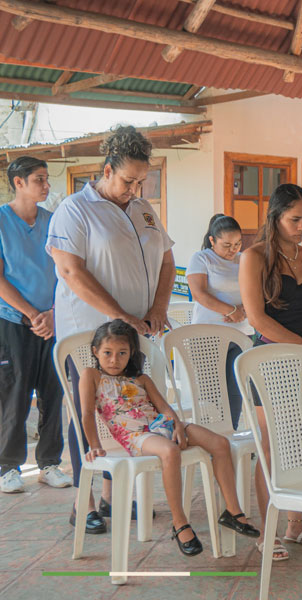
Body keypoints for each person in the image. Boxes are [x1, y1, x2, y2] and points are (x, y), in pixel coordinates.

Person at [47, 126, 175, 534]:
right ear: (106, 171)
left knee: (125, 409)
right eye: (128, 181)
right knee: (86, 409)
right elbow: (71, 271)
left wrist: (157, 307)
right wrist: (122, 316)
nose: (135, 189)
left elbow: (167, 259)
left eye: (142, 182)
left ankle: (110, 496)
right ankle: (81, 501)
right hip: (90, 332)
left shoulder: (143, 209)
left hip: (134, 334)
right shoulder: (75, 209)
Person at [79, 320, 259, 555]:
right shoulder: (92, 375)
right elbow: (86, 414)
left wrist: (177, 426)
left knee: (220, 443)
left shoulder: (141, 379)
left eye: (122, 353)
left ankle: (233, 512)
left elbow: (164, 408)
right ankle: (180, 522)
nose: (114, 360)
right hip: (135, 435)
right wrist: (94, 445)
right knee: (170, 451)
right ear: (95, 352)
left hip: (161, 425)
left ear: (131, 353)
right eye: (107, 353)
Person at [239, 183, 302, 560]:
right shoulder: (254, 256)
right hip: (271, 359)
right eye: (295, 220)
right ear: (275, 217)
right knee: (271, 446)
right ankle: (267, 530)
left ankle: (294, 524)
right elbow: (256, 318)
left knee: (298, 443)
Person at [0, 157, 72, 493]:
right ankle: (8, 467)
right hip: (14, 321)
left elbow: (65, 272)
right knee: (14, 395)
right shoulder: (2, 221)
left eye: (46, 179)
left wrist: (54, 313)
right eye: (39, 179)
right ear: (19, 183)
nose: (46, 185)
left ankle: (49, 464)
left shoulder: (53, 221)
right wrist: (32, 314)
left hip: (53, 322)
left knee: (53, 394)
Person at [186, 214, 253, 429]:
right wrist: (231, 311)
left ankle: (230, 434)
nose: (233, 249)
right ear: (212, 240)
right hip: (208, 336)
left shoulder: (244, 259)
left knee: (235, 390)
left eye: (237, 244)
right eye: (226, 245)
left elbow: (257, 290)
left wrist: (244, 311)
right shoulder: (202, 258)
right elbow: (199, 294)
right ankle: (212, 436)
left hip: (241, 333)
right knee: (211, 392)